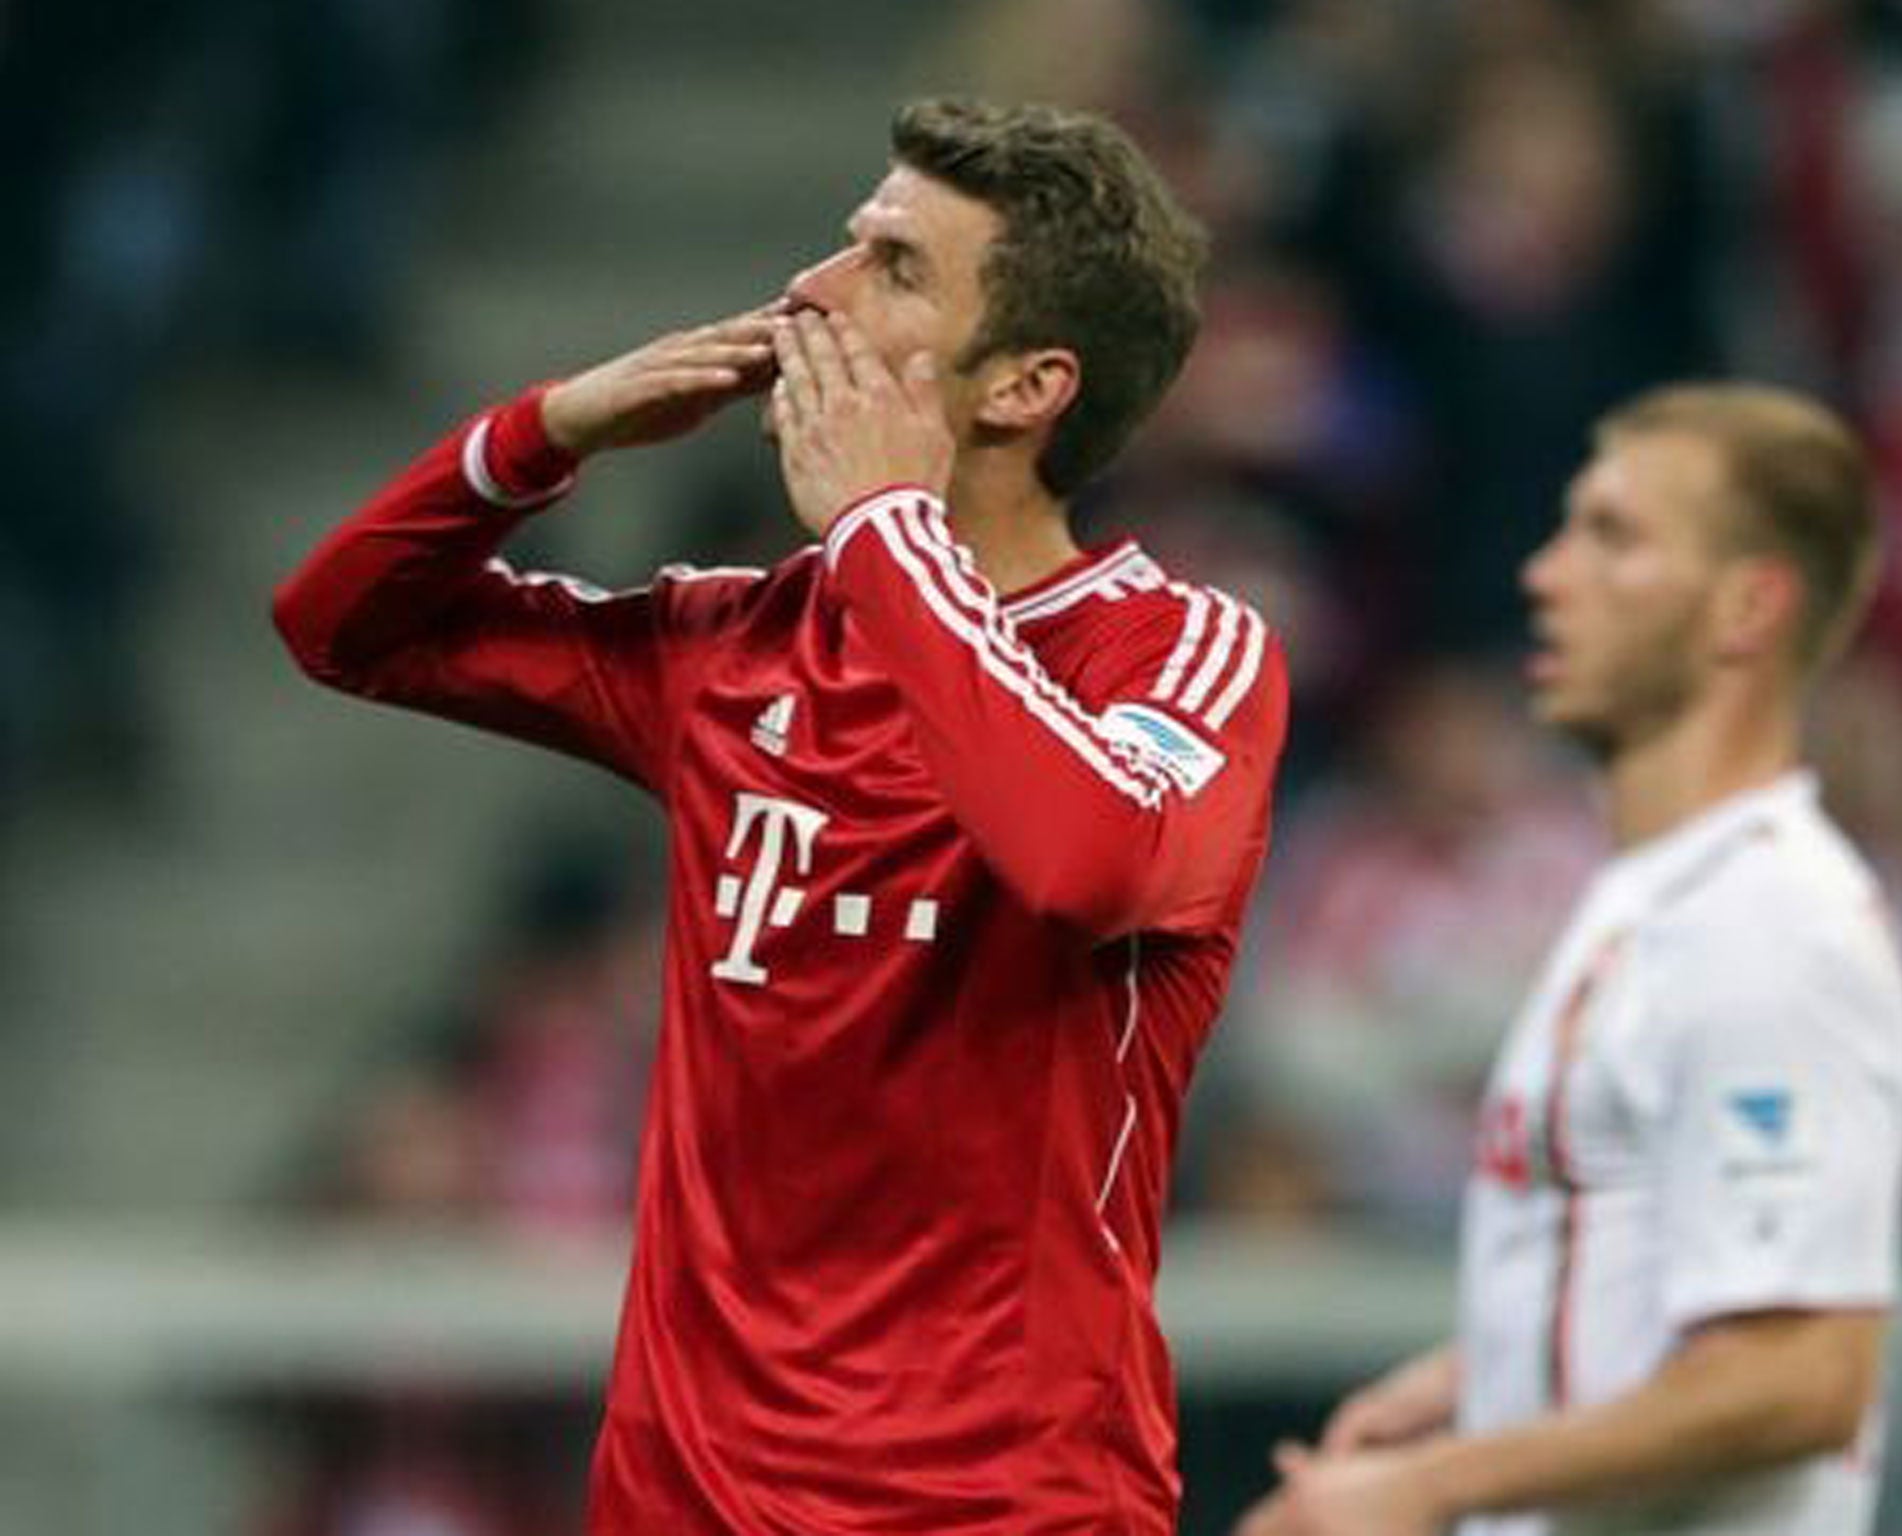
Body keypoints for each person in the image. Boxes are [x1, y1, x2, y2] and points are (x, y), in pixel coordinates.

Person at [273, 98, 1287, 1535]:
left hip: (993, 1502)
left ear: (1022, 389)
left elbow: (1086, 859)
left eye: (893, 267)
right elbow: (342, 626)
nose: (809, 289)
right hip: (680, 1492)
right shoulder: (734, 649)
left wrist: (886, 532)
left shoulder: (1181, 653)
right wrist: (547, 430)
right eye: (844, 241)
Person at [1238, 385, 1902, 1536]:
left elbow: (1798, 1372)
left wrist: (1429, 1487)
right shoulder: (1644, 901)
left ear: (1745, 610)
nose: (1543, 576)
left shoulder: (1772, 927)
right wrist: (1481, 1380)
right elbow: (1678, 1272)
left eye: (1611, 536)